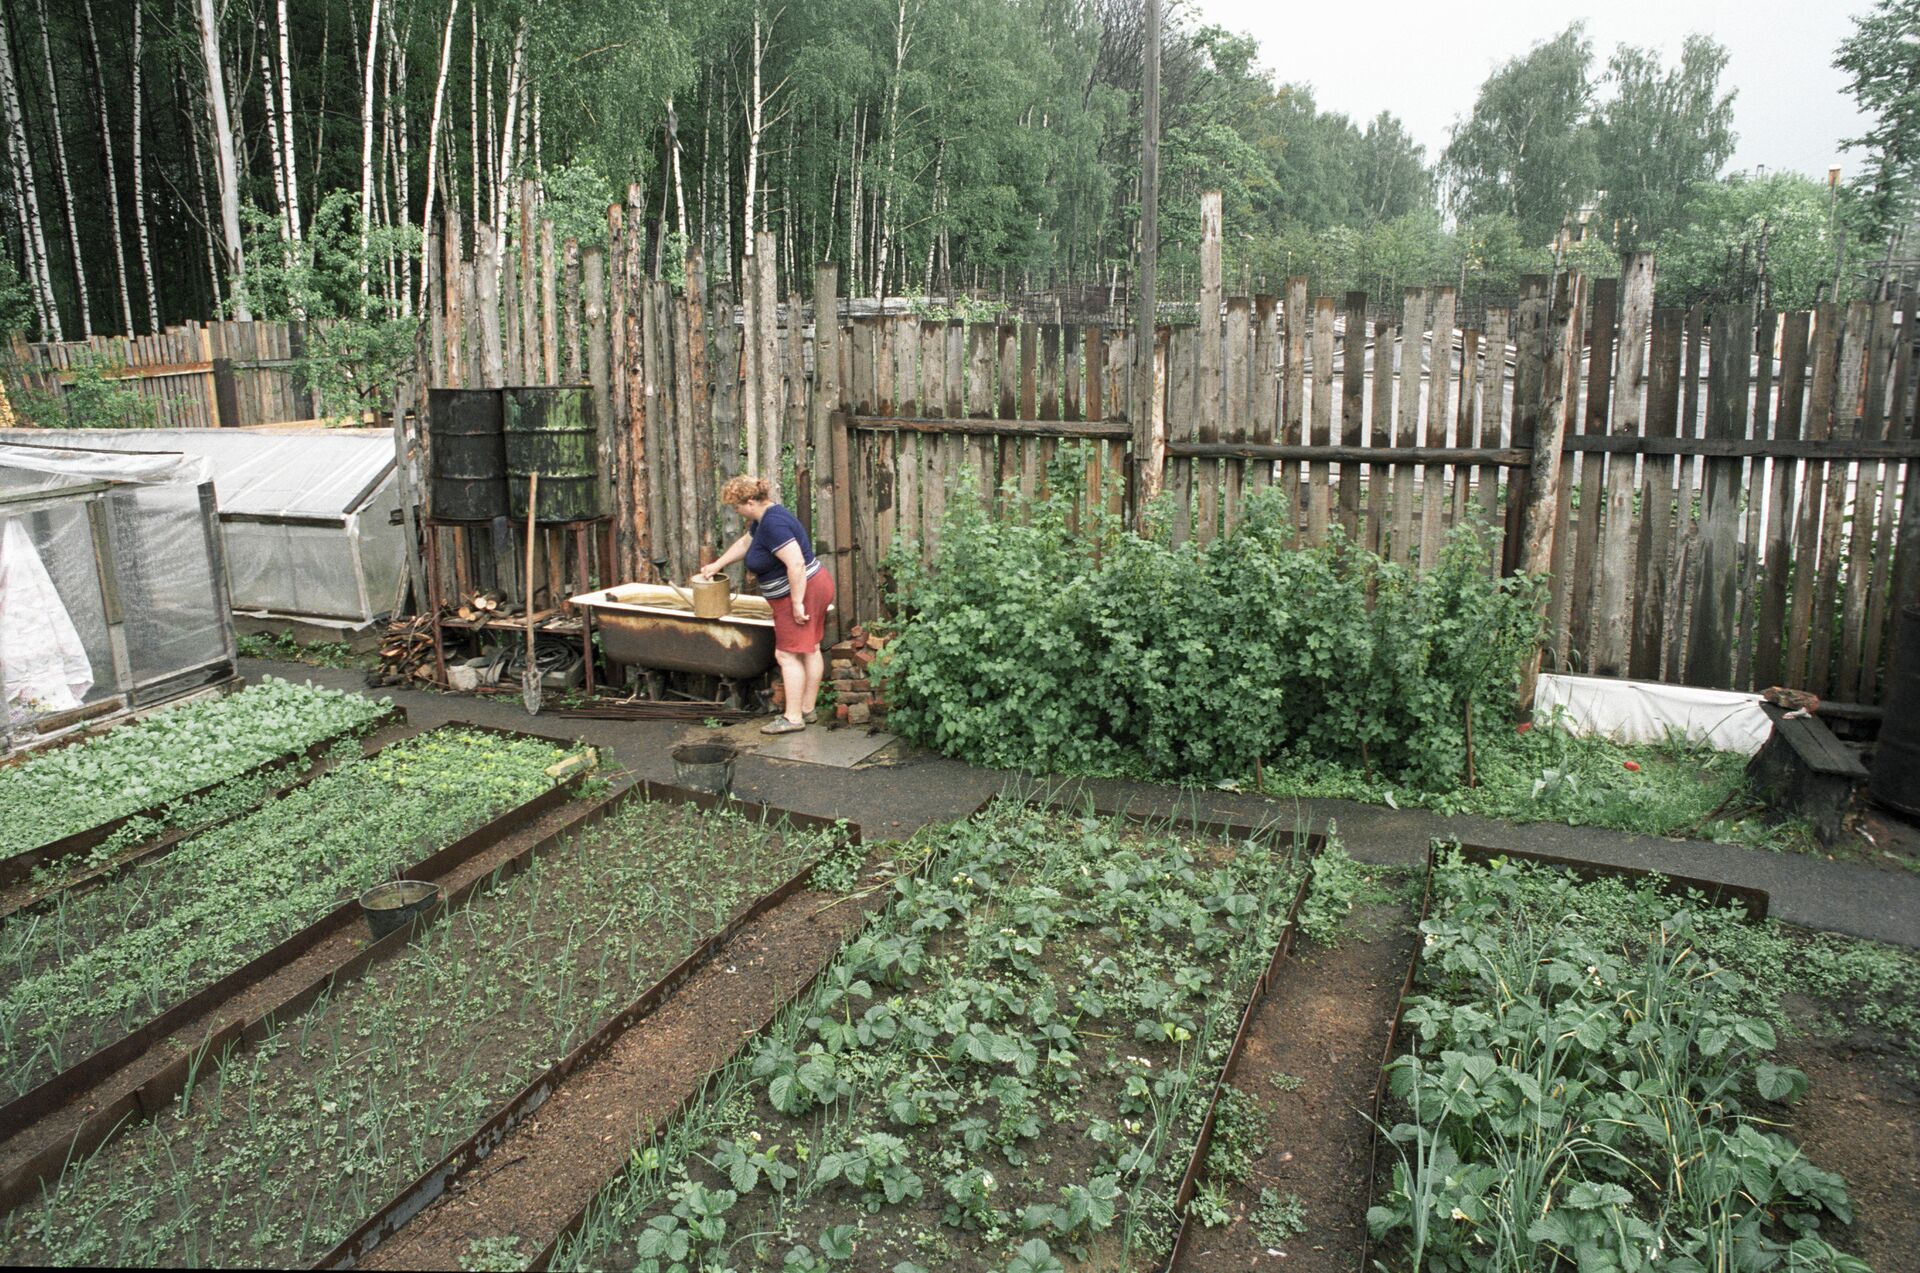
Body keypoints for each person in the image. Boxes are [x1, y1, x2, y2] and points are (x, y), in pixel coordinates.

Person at [696, 475, 835, 734]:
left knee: (787, 654)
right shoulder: (767, 517)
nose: (736, 512)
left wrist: (796, 602)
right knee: (810, 647)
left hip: (802, 590)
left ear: (750, 502)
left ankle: (793, 718)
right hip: (817, 583)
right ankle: (807, 708)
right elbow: (745, 543)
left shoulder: (772, 525)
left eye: (736, 507)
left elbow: (795, 563)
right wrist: (718, 564)